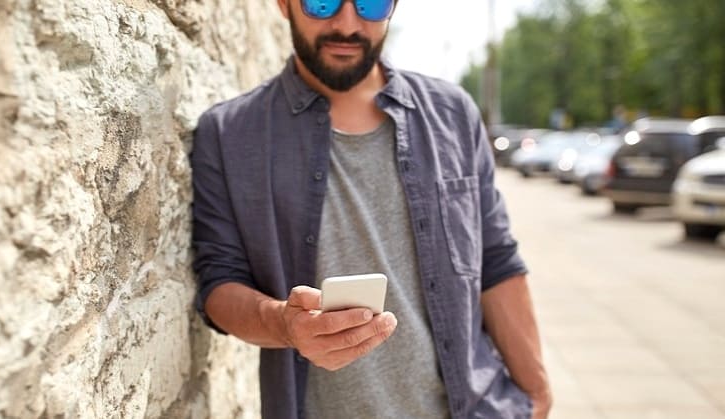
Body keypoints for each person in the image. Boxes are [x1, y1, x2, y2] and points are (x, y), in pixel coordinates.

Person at [191, 0, 552, 418]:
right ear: (284, 4)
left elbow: (496, 260)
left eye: (372, 3)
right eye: (322, 3)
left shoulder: (454, 114)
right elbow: (219, 283)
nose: (347, 24)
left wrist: (538, 396)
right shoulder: (227, 134)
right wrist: (285, 324)